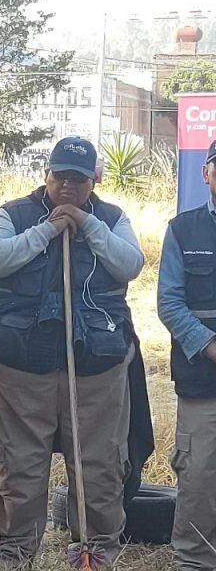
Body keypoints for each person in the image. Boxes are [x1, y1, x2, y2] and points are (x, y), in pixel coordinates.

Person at [0, 137, 149, 569]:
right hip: (20, 369)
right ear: (46, 174)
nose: (67, 185)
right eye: (59, 175)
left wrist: (86, 224)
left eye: (78, 179)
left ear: (93, 180)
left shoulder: (113, 218)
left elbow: (131, 265)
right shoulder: (11, 214)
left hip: (98, 368)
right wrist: (48, 228)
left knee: (99, 466)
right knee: (20, 468)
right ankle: (13, 553)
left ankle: (95, 550)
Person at [159, 139, 216, 571]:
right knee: (199, 477)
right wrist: (211, 346)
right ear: (206, 174)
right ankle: (195, 560)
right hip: (202, 379)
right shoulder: (182, 229)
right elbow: (169, 303)